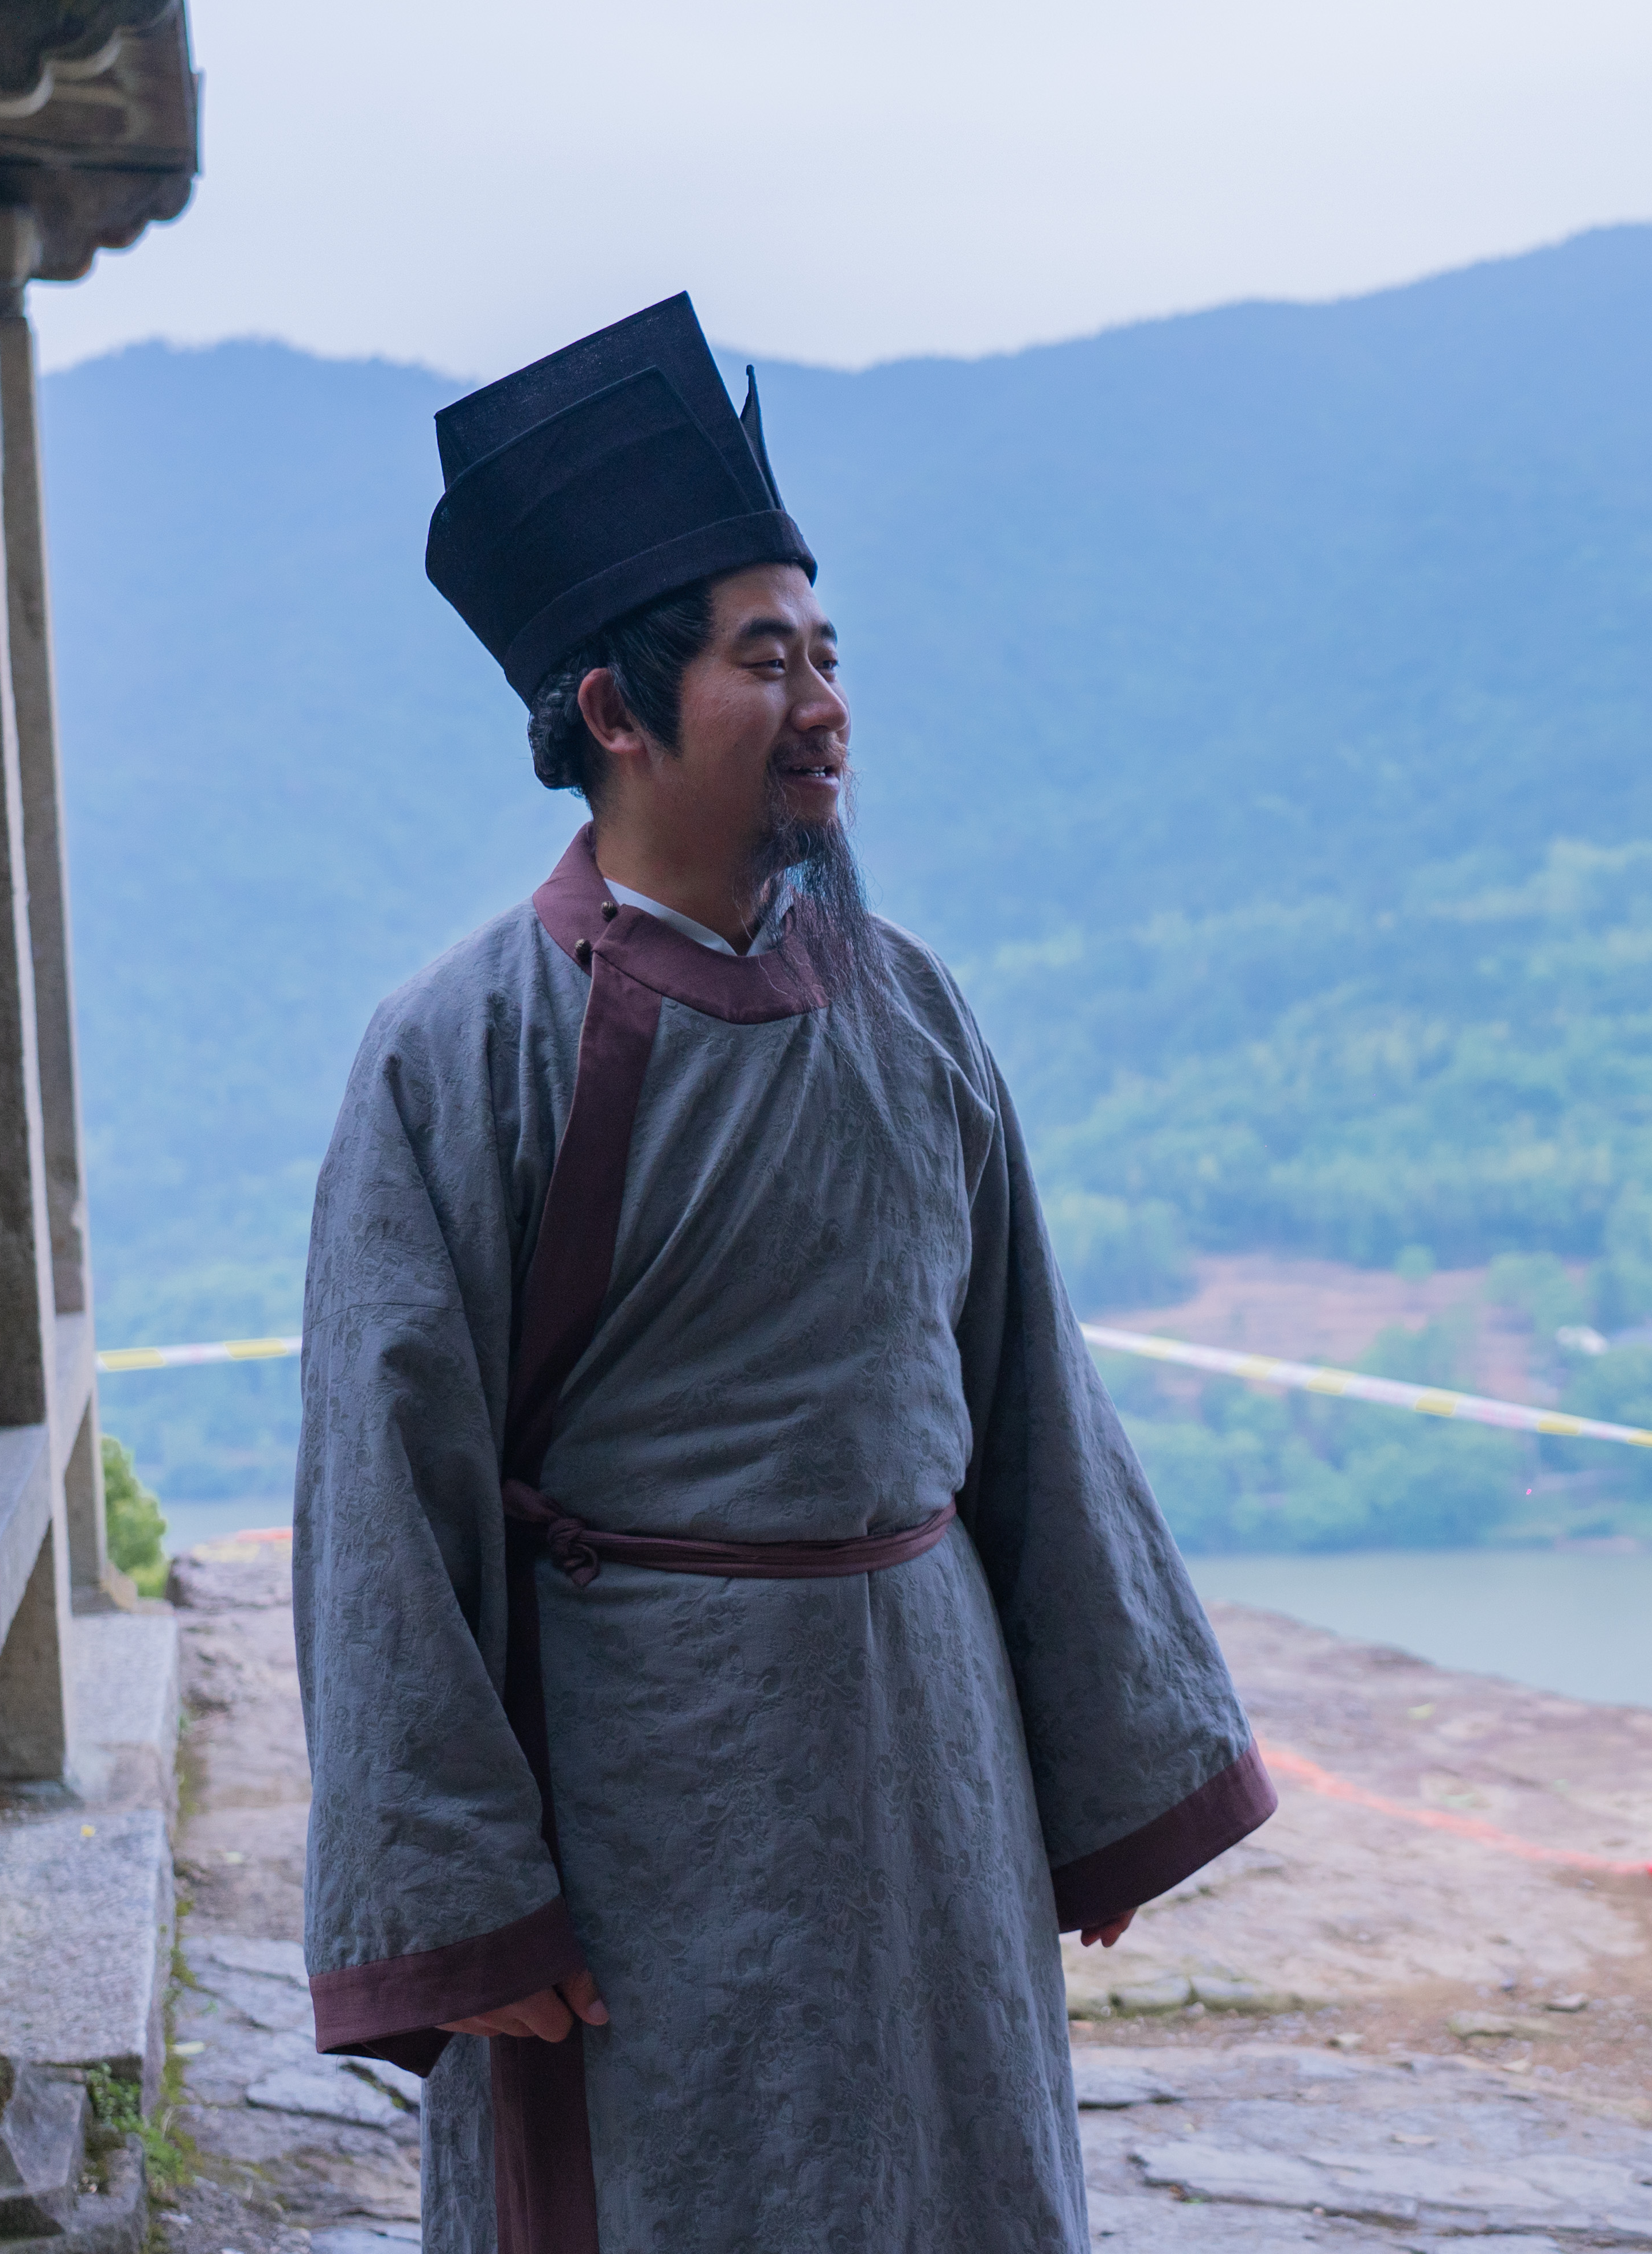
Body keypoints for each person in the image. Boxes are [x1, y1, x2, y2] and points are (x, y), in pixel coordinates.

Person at [292, 295, 1273, 2254]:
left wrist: (1107, 1763)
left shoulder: (913, 1010)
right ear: (615, 711)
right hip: (647, 1784)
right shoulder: (460, 1051)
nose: (824, 702)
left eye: (830, 654)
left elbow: (1025, 1394)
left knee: (952, 2175)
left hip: (929, 1754)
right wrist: (459, 1892)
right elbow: (379, 1497)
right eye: (766, 659)